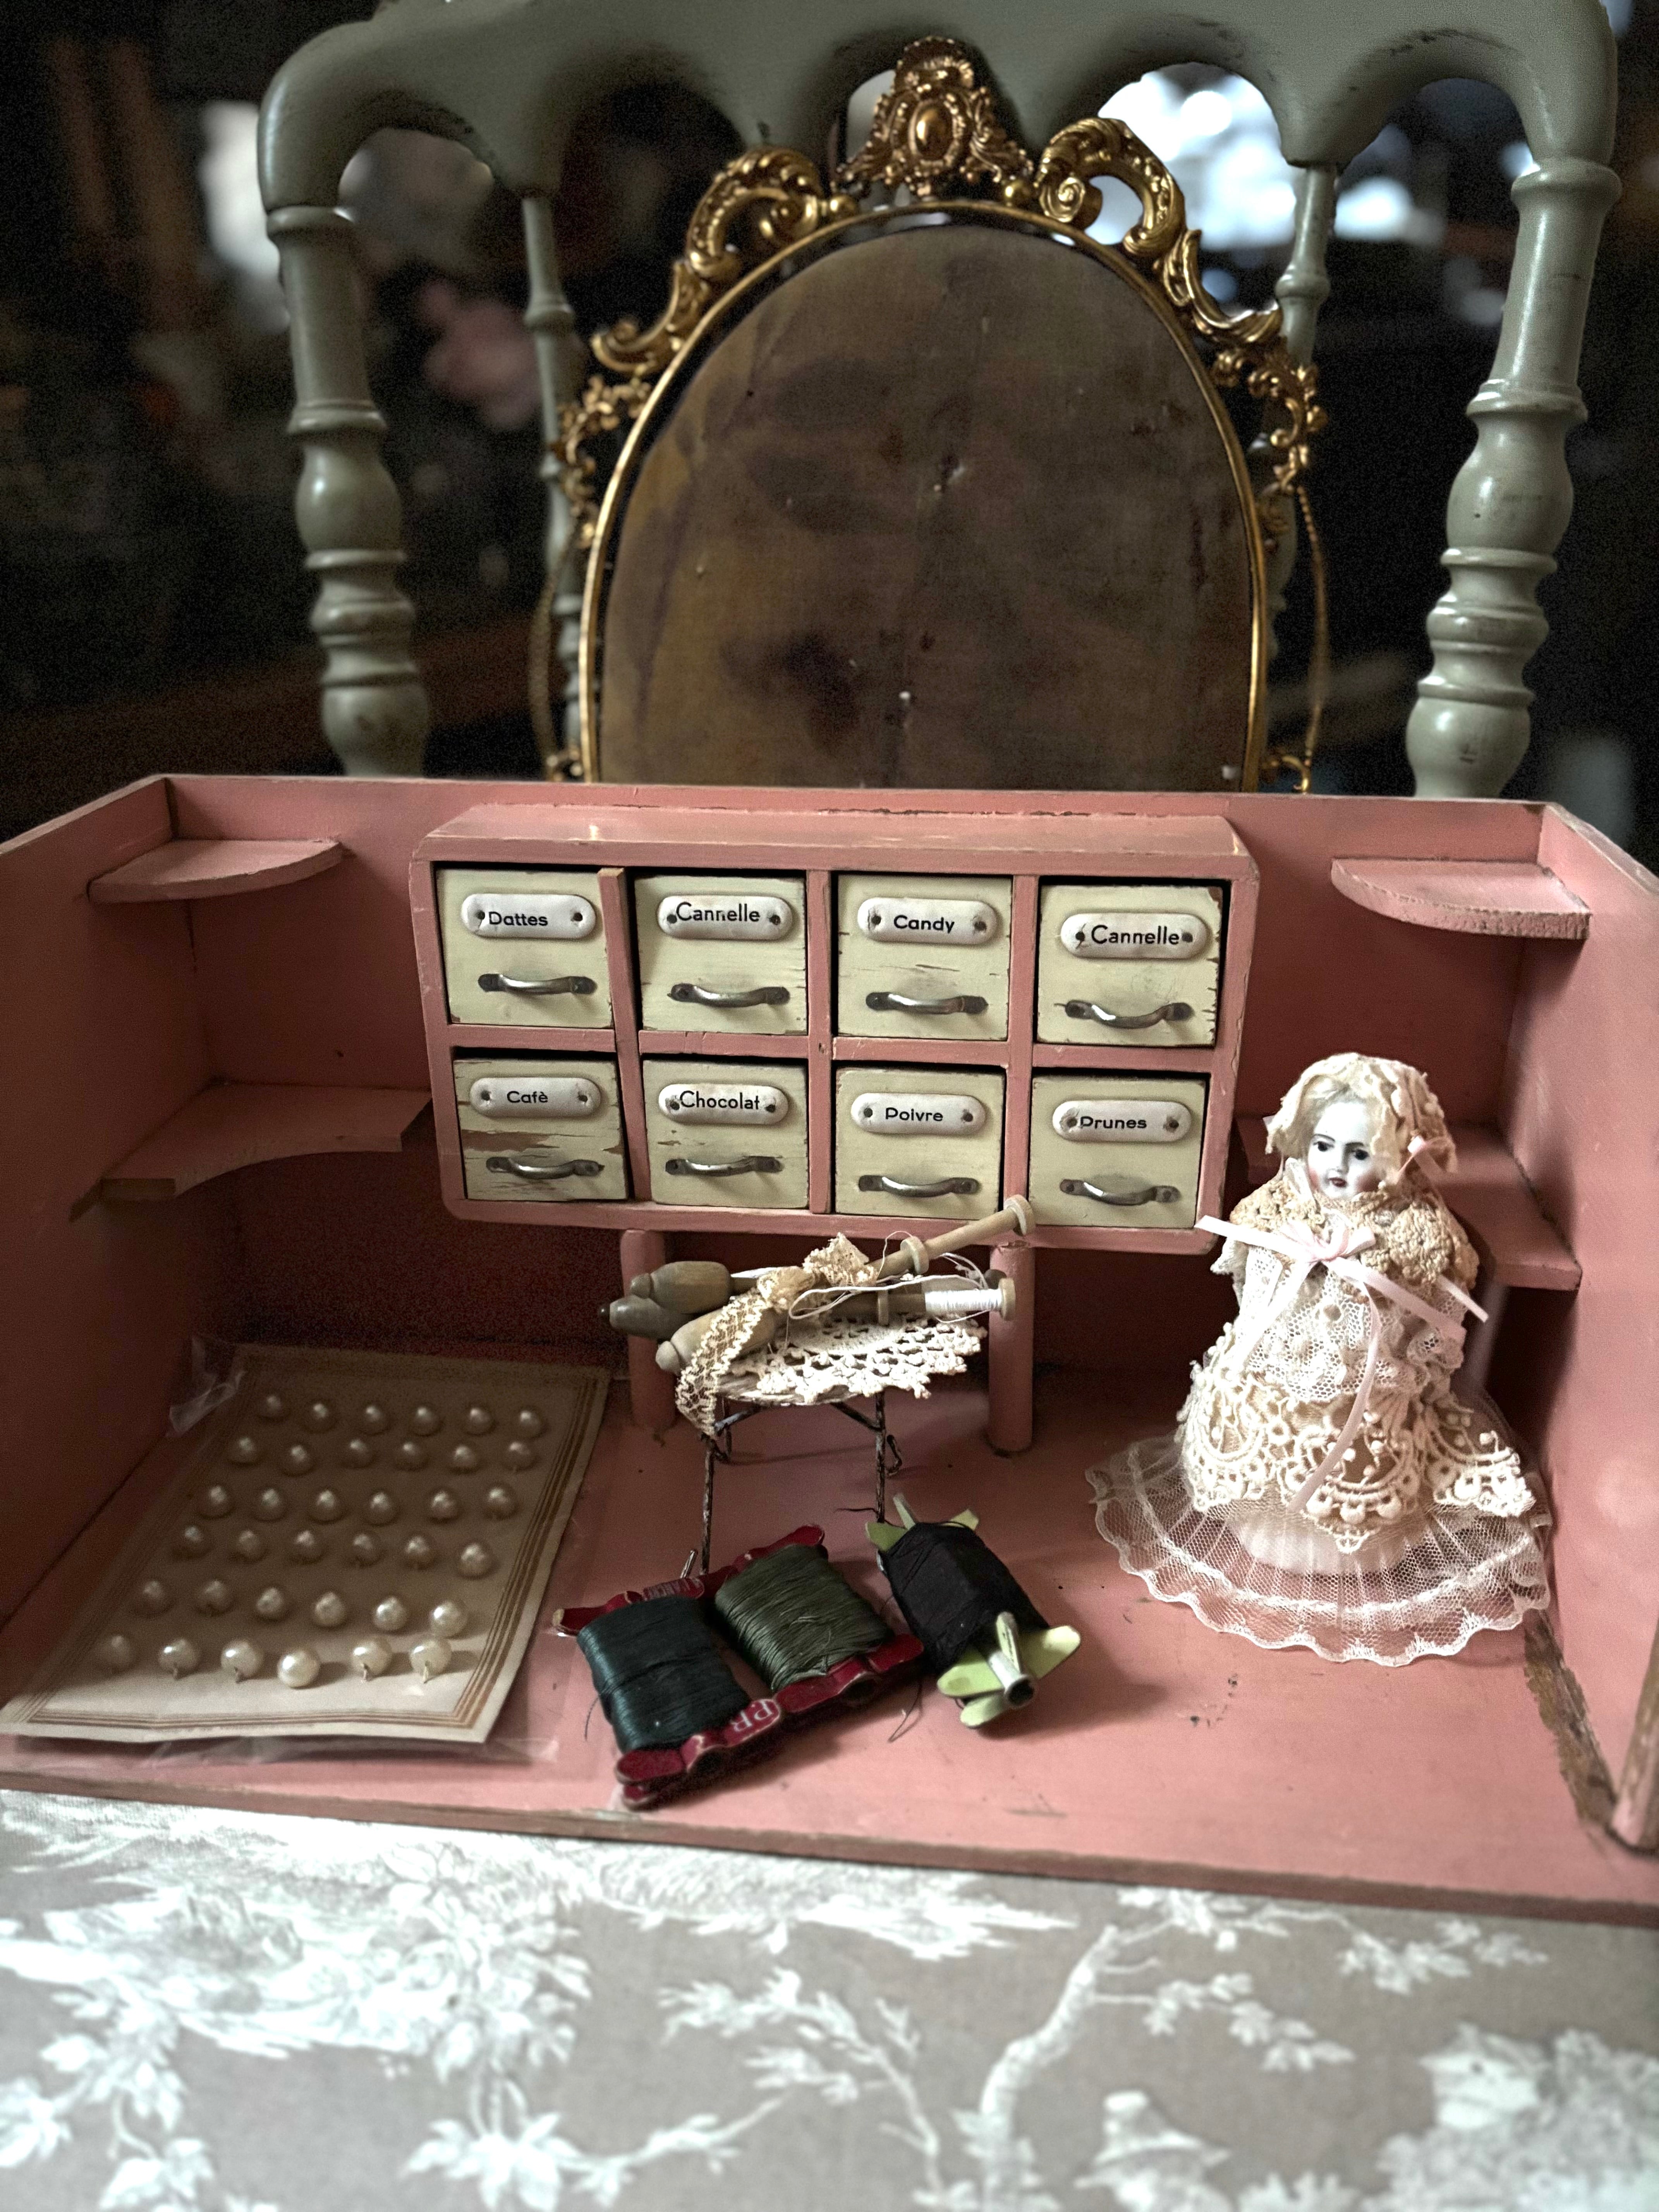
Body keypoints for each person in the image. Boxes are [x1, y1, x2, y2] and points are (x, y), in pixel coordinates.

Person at [1089, 1052, 1549, 1664]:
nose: (1335, 1166)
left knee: (1359, 1452)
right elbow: (1248, 1284)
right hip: (1273, 1372)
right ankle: (1260, 1518)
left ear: (1399, 1157)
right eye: (1324, 1146)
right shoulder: (1281, 1203)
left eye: (1359, 1154)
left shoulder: (1416, 1231)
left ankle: (1352, 1540)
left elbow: (1437, 1324)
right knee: (1260, 1435)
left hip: (1366, 1388)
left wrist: (1406, 1354)